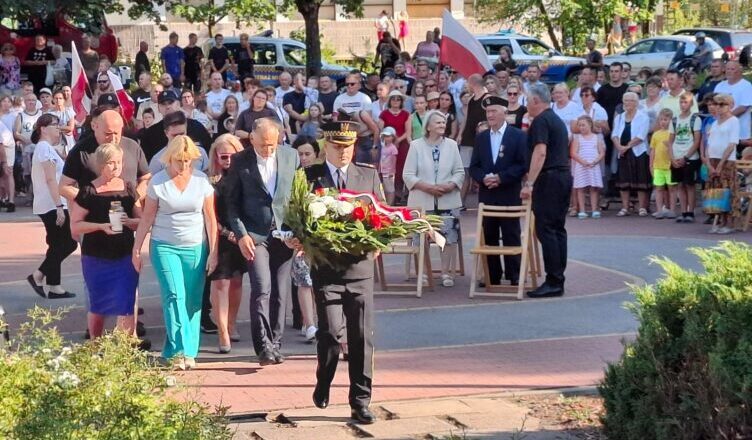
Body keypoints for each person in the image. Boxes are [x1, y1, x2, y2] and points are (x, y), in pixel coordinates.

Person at [304, 120, 384, 425]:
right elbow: (297, 216)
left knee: (362, 337)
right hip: (327, 270)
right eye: (337, 147)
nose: (343, 153)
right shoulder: (310, 176)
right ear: (326, 146)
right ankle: (324, 380)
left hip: (360, 268)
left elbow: (382, 215)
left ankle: (360, 400)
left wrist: (379, 241)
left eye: (348, 147)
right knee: (330, 335)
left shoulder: (368, 174)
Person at [133, 135, 218, 369]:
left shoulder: (201, 181)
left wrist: (214, 251)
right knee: (174, 296)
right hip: (164, 245)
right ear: (169, 159)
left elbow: (210, 219)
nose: (184, 166)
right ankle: (179, 349)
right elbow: (147, 217)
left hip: (195, 247)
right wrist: (136, 249)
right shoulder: (157, 182)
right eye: (179, 161)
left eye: (188, 161)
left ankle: (184, 351)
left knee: (192, 301)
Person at [224, 118, 299, 366]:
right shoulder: (240, 161)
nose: (268, 149)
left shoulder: (291, 157)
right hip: (255, 235)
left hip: (284, 234)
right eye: (264, 144)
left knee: (280, 291)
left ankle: (276, 343)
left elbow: (300, 196)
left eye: (273, 144)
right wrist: (241, 234)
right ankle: (263, 346)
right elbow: (231, 204)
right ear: (252, 138)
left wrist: (299, 233)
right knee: (261, 288)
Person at [70, 143, 141, 338]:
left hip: (125, 254)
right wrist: (100, 226)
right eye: (111, 163)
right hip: (96, 256)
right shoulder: (89, 191)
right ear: (101, 164)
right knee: (98, 303)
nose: (116, 167)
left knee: (126, 302)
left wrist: (129, 221)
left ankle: (126, 349)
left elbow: (142, 221)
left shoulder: (128, 188)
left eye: (119, 162)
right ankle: (95, 345)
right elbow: (75, 225)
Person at [469, 97, 528, 286]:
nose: (490, 115)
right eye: (488, 112)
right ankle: (492, 275)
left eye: (494, 111)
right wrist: (483, 178)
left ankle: (515, 274)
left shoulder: (517, 136)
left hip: (508, 193)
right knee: (490, 235)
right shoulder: (482, 137)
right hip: (488, 194)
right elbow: (474, 166)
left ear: (505, 112)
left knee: (511, 233)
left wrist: (501, 178)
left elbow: (522, 164)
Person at [521, 84, 572, 298]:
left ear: (535, 101)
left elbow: (540, 152)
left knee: (547, 229)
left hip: (549, 178)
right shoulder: (555, 119)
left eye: (527, 100)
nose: (525, 105)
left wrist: (530, 182)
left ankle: (553, 280)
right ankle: (558, 278)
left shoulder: (541, 121)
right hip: (562, 176)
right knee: (557, 229)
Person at [404, 110, 465, 287]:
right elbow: (408, 175)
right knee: (420, 236)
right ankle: (422, 272)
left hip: (448, 198)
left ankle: (446, 273)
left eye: (443, 122)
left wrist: (450, 185)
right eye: (437, 122)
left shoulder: (452, 145)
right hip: (422, 199)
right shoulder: (416, 146)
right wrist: (428, 187)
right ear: (428, 126)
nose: (441, 125)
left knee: (448, 236)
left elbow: (459, 172)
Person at [28, 113, 77, 299]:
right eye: (55, 125)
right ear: (43, 128)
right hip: (51, 203)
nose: (59, 128)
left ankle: (54, 285)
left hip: (52, 202)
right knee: (69, 242)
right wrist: (58, 206)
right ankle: (38, 275)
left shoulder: (47, 148)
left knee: (56, 243)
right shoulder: (43, 148)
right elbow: (50, 179)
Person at [206, 134, 246, 353]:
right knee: (220, 282)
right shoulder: (208, 179)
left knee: (237, 281)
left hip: (241, 235)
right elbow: (208, 213)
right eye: (222, 156)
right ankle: (222, 331)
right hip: (218, 235)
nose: (227, 160)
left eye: (231, 155)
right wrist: (224, 232)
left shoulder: (245, 175)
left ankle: (231, 322)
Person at [290, 135, 319, 342]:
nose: (304, 158)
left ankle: (317, 320)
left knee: (318, 280)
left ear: (316, 154)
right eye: (300, 154)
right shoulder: (290, 176)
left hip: (320, 236)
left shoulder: (323, 176)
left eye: (308, 154)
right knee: (304, 280)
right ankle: (309, 323)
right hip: (299, 236)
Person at [139, 90, 213, 162]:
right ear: (158, 108)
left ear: (178, 104)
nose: (167, 107)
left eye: (170, 103)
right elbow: (146, 161)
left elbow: (209, 150)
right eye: (163, 104)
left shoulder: (196, 127)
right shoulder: (151, 133)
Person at [703, 93, 739, 234]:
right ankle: (719, 221)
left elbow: (731, 144)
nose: (718, 107)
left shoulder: (733, 121)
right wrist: (709, 163)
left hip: (726, 161)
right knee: (715, 192)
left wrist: (720, 164)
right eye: (716, 104)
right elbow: (708, 144)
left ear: (730, 106)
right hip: (713, 160)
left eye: (722, 104)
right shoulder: (714, 123)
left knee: (727, 190)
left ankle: (729, 222)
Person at [612, 92, 651, 217]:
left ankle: (642, 208)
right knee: (624, 181)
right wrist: (619, 147)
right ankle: (625, 207)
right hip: (623, 152)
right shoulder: (619, 117)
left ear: (636, 103)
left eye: (630, 101)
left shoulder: (643, 117)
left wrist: (627, 147)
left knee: (641, 180)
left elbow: (641, 136)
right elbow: (614, 134)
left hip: (638, 152)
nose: (628, 103)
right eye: (626, 101)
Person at [669, 92, 702, 223]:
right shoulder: (675, 120)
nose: (683, 105)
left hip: (690, 157)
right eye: (681, 102)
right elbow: (670, 140)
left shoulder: (695, 119)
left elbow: (697, 140)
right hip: (676, 155)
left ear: (691, 104)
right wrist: (672, 158)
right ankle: (683, 211)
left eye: (686, 102)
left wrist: (686, 157)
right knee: (680, 185)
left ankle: (690, 211)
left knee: (690, 185)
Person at [713, 61, 752, 153]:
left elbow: (743, 107)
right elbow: (714, 105)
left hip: (740, 133)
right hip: (722, 133)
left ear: (739, 71)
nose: (729, 71)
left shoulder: (746, 86)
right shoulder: (719, 86)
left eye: (732, 69)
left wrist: (725, 118)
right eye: (727, 69)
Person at [571, 116, 605, 218]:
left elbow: (602, 152)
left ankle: (594, 209)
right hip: (581, 167)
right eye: (580, 125)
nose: (581, 127)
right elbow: (573, 153)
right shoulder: (577, 138)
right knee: (580, 188)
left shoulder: (596, 137)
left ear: (590, 125)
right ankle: (582, 210)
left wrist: (595, 161)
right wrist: (582, 162)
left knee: (594, 188)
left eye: (583, 125)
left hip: (593, 166)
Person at [650, 109, 676, 219]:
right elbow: (653, 150)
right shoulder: (656, 134)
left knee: (672, 188)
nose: (663, 122)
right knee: (659, 188)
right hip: (658, 166)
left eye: (665, 119)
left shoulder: (672, 134)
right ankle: (659, 210)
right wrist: (651, 164)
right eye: (661, 120)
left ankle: (672, 210)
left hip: (669, 165)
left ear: (670, 120)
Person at [379, 126, 399, 204]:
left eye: (389, 136)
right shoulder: (383, 147)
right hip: (383, 170)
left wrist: (392, 171)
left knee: (390, 189)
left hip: (389, 171)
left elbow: (394, 160)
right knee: (384, 188)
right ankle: (386, 203)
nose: (387, 138)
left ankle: (390, 204)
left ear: (393, 137)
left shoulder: (393, 148)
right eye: (385, 136)